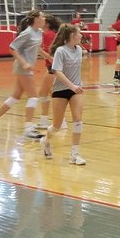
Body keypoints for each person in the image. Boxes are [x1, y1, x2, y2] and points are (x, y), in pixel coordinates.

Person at [0, 9, 45, 140]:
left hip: (27, 68)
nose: (44, 19)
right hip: (22, 68)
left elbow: (37, 48)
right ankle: (28, 128)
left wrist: (48, 57)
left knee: (15, 98)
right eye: (42, 17)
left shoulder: (39, 32)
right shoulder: (27, 33)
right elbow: (12, 48)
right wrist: (24, 63)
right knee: (33, 97)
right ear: (36, 19)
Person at [41, 23, 86, 165]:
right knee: (57, 126)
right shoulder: (60, 51)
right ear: (71, 36)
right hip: (60, 90)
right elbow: (57, 72)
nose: (81, 35)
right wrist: (71, 85)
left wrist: (76, 86)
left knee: (77, 119)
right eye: (79, 33)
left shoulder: (79, 50)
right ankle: (46, 141)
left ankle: (74, 155)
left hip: (76, 90)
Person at [36, 14, 61, 124]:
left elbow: (52, 52)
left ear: (47, 24)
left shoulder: (49, 34)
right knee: (43, 93)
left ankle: (61, 121)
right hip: (50, 67)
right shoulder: (46, 34)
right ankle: (44, 121)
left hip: (53, 67)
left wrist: (47, 56)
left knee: (55, 95)